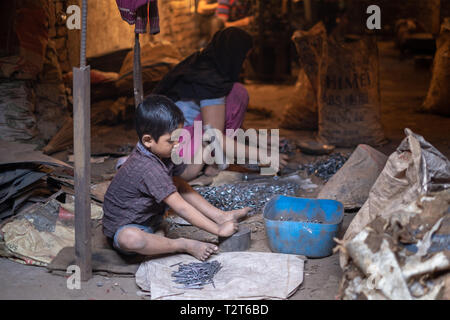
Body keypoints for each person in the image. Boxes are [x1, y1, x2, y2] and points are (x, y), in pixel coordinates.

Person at [102, 95, 251, 261]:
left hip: (150, 218)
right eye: (171, 141)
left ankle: (220, 216)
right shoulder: (147, 167)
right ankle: (183, 244)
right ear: (148, 140)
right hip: (128, 226)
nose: (177, 144)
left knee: (176, 182)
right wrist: (217, 230)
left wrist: (204, 147)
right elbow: (181, 208)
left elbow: (185, 175)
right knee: (130, 239)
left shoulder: (162, 152)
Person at [153, 27, 289, 181]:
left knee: (229, 99)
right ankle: (216, 164)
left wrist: (259, 139)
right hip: (176, 153)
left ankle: (213, 160)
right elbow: (213, 135)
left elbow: (219, 118)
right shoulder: (212, 81)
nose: (244, 64)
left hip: (161, 142)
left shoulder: (201, 63)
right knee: (237, 93)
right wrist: (263, 155)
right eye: (244, 57)